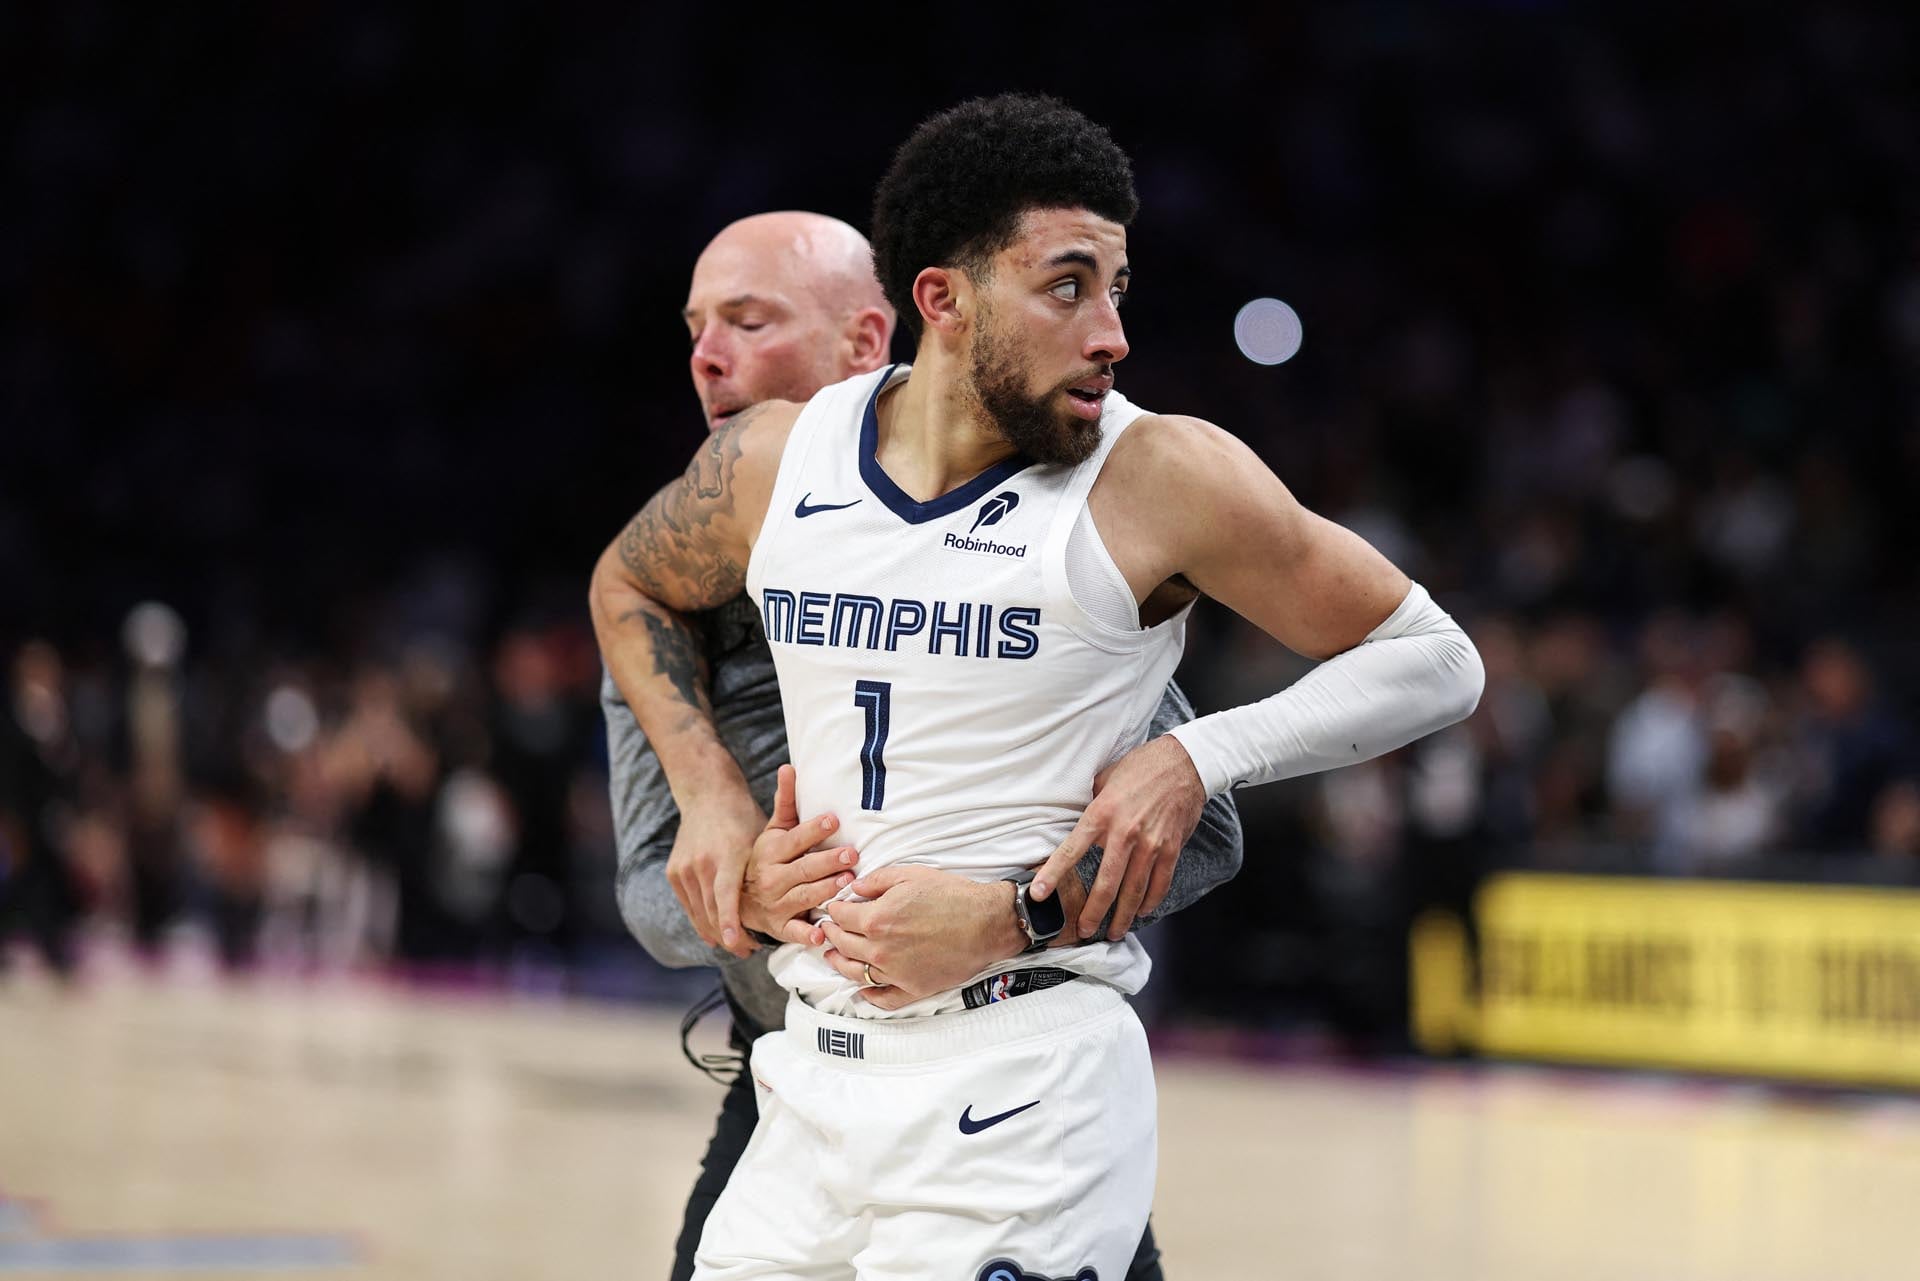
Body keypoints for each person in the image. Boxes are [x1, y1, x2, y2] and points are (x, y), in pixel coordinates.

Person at [591, 94, 1483, 1278]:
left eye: (1118, 288)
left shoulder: (1159, 473)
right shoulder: (775, 462)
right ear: (942, 303)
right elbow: (627, 582)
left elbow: (1435, 658)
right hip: (809, 1077)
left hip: (1020, 1073)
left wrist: (1194, 757)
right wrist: (711, 795)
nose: (1111, 333)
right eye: (1069, 287)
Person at [603, 209, 1245, 1281]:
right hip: (799, 1079)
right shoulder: (666, 593)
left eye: (748, 322)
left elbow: (1208, 833)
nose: (708, 356)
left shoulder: (1020, 530)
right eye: (696, 327)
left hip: (1008, 1084)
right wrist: (742, 879)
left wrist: (1007, 915)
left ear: (870, 343)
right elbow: (649, 894)